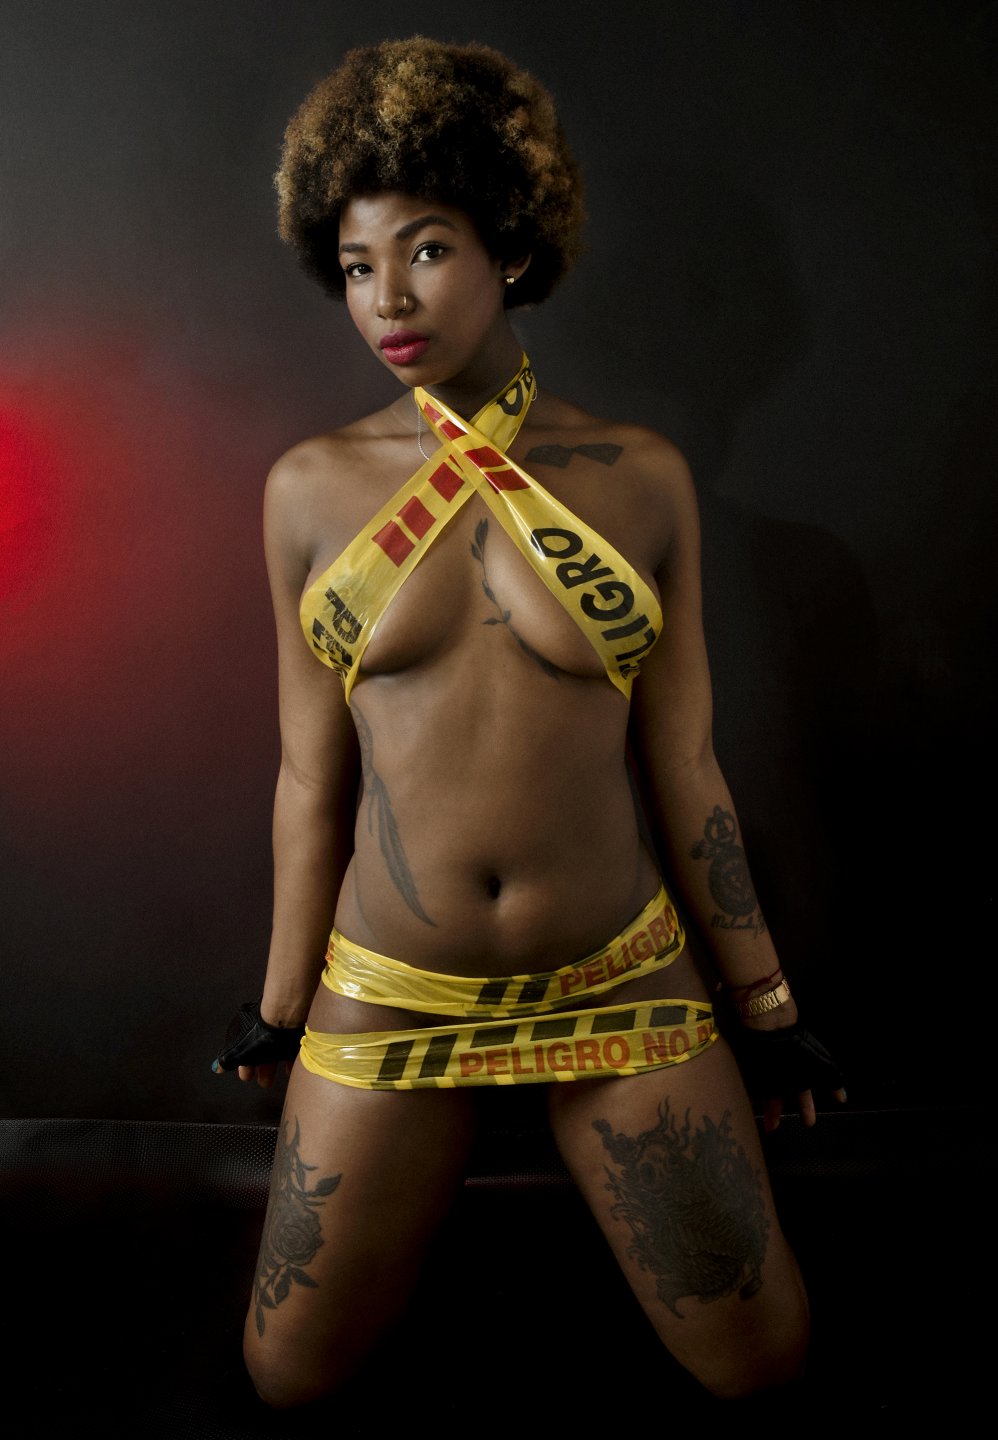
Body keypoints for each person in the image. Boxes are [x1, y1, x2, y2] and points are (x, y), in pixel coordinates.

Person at [212, 35, 845, 1411]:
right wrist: (279, 1007)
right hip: (393, 990)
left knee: (763, 1365)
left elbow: (685, 763)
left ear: (509, 244)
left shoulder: (641, 479)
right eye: (357, 266)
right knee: (287, 1378)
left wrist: (766, 1003)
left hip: (619, 985)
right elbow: (308, 776)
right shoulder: (306, 489)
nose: (387, 298)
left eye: (427, 250)